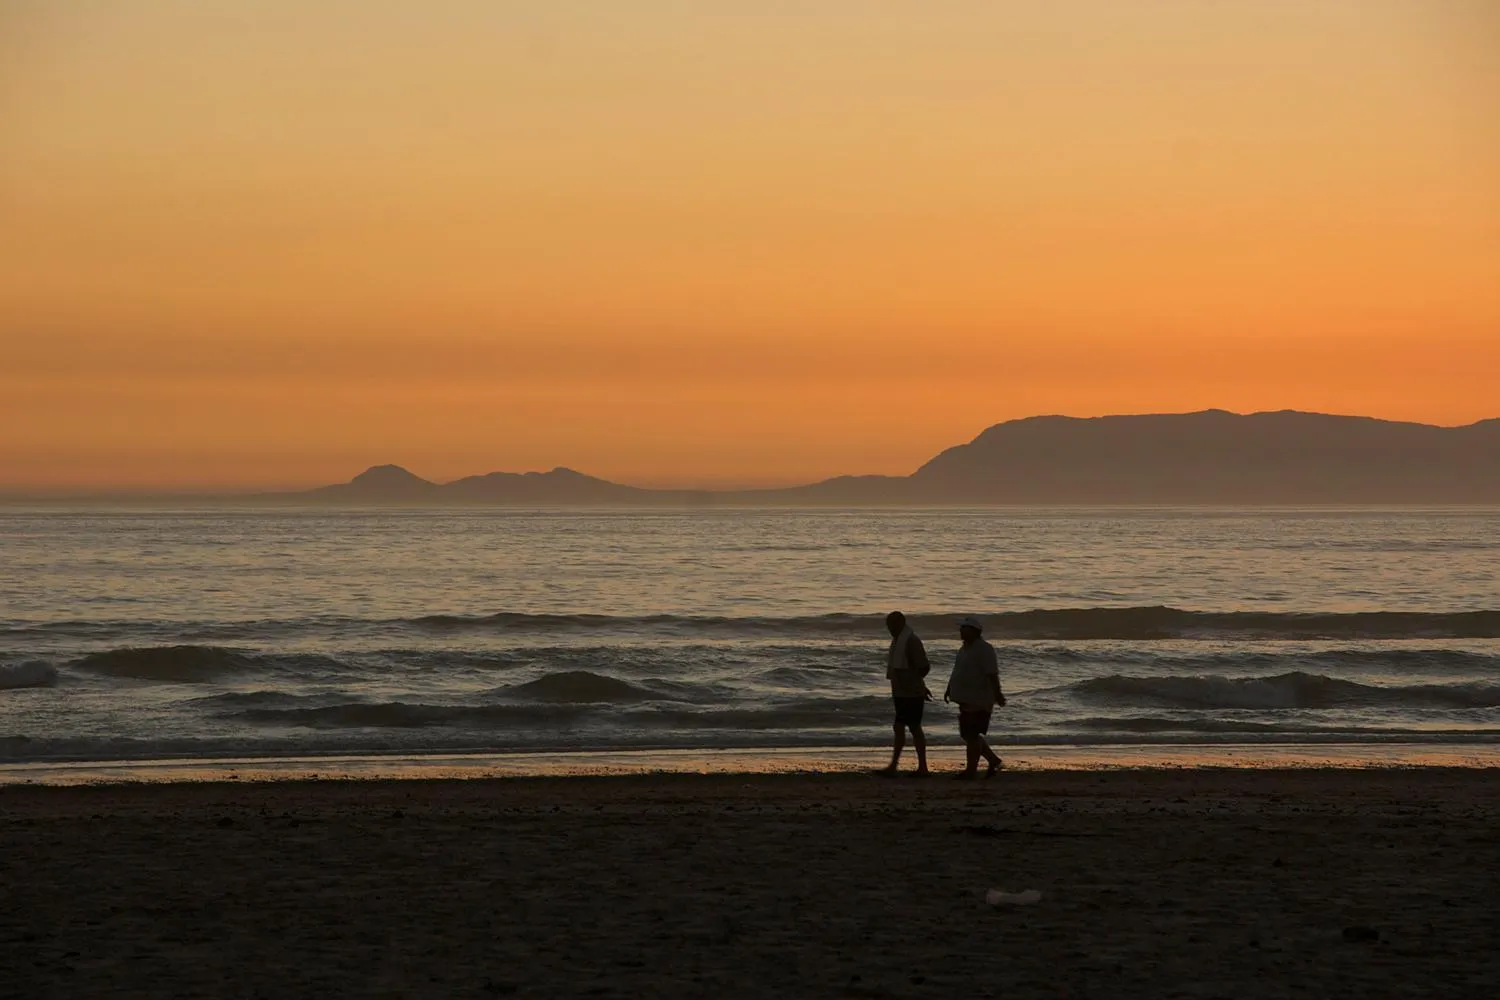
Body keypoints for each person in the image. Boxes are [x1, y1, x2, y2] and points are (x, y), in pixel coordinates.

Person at [943, 615, 1005, 778]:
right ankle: (993, 760)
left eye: (964, 628)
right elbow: (957, 671)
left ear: (974, 631)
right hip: (965, 698)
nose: (961, 631)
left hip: (979, 698)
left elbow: (992, 674)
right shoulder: (963, 649)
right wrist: (949, 688)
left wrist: (998, 694)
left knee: (971, 734)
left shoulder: (985, 649)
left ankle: (971, 770)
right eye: (961, 628)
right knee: (968, 734)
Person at [880, 610, 931, 776]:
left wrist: (916, 683)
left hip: (912, 692)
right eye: (888, 626)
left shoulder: (911, 641)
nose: (890, 629)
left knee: (911, 727)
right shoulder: (898, 640)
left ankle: (920, 767)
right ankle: (896, 765)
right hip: (901, 691)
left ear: (901, 623)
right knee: (902, 727)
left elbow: (924, 666)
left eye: (892, 625)